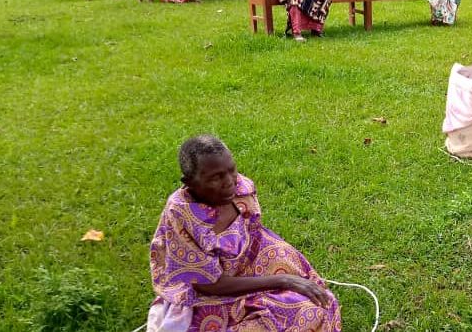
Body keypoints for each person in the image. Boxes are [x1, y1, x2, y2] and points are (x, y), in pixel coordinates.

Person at [146, 135, 342, 332]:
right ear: (189, 182)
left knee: (322, 300)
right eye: (216, 177)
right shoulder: (182, 214)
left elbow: (253, 231)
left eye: (231, 170)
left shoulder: (242, 188)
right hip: (211, 292)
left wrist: (281, 271)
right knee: (305, 313)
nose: (230, 181)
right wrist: (284, 280)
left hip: (249, 264)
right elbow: (206, 284)